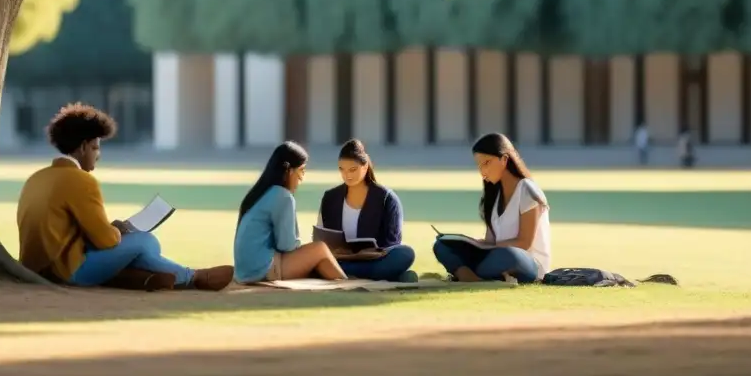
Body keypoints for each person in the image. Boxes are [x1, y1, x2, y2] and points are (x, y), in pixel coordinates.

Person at [17, 103, 233, 292]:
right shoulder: (81, 181)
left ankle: (142, 279)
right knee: (145, 241)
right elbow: (106, 240)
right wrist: (117, 231)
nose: (97, 155)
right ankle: (191, 277)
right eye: (95, 148)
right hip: (68, 271)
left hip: (38, 269)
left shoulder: (37, 178)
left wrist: (110, 229)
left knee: (136, 245)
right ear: (83, 147)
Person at [432, 133, 551, 284]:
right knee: (442, 246)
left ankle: (469, 272)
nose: (483, 172)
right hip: (496, 255)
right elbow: (490, 241)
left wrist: (486, 247)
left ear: (504, 159)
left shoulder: (527, 190)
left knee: (508, 255)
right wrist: (472, 243)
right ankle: (474, 276)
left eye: (487, 163)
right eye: (479, 166)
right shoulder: (494, 196)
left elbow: (524, 242)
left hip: (527, 262)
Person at [233, 141, 347, 284]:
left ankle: (343, 282)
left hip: (245, 271)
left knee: (317, 256)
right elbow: (286, 245)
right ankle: (346, 283)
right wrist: (300, 244)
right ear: (289, 170)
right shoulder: (283, 196)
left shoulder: (260, 193)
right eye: (302, 170)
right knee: (320, 249)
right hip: (262, 269)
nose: (302, 177)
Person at [317, 139, 416, 282]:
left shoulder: (387, 198)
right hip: (340, 260)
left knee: (405, 254)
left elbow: (393, 243)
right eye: (342, 169)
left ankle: (348, 273)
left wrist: (371, 253)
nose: (347, 175)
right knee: (314, 257)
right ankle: (390, 276)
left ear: (364, 167)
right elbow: (321, 238)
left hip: (374, 260)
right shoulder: (330, 198)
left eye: (353, 169)